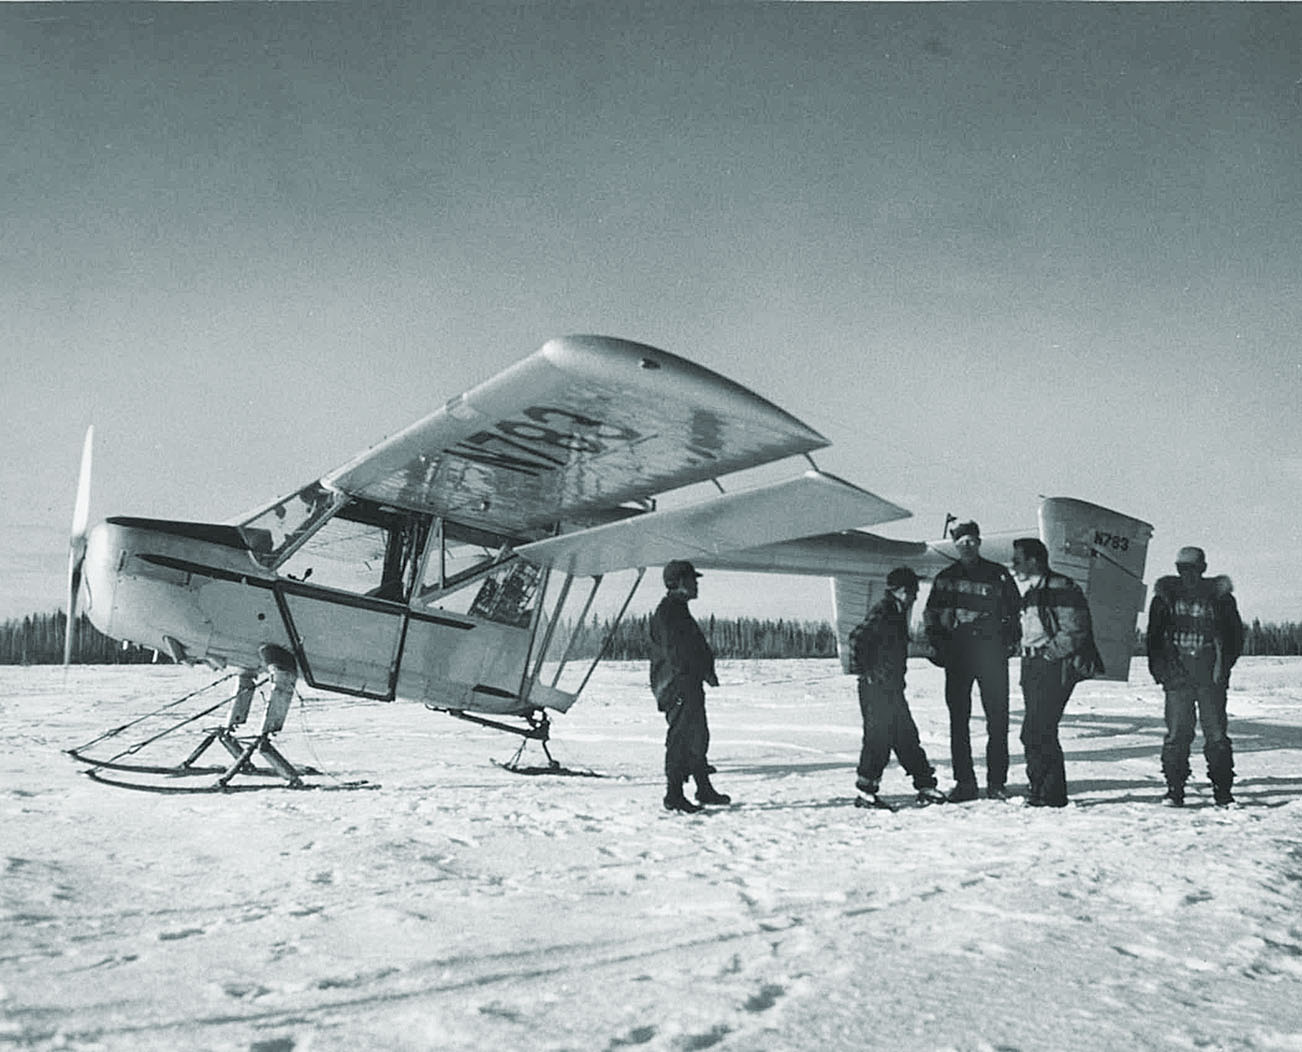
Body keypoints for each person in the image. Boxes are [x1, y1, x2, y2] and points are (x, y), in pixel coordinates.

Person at [923, 520, 1022, 802]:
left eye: (971, 540)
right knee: (959, 721)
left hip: (991, 654)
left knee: (998, 719)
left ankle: (997, 783)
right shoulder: (946, 578)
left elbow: (1016, 611)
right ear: (955, 545)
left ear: (979, 542)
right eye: (961, 541)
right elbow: (931, 615)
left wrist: (1010, 641)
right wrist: (938, 645)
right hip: (959, 654)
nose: (967, 545)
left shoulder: (998, 575)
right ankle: (965, 783)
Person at [1146, 546, 1244, 807]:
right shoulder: (1165, 598)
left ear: (1203, 569)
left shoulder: (1221, 598)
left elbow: (1235, 637)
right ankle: (1175, 789)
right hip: (1177, 676)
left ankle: (1223, 791)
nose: (1187, 573)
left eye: (1192, 568)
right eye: (1182, 568)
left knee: (1216, 735)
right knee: (1177, 734)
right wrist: (1163, 672)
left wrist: (1222, 668)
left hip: (1210, 676)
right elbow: (1154, 639)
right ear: (1177, 569)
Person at [1010, 538, 1103, 808]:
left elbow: (1075, 629)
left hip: (1052, 666)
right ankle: (1040, 789)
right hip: (1032, 665)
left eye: (1018, 560)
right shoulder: (1032, 591)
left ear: (1034, 560)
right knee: (1034, 730)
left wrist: (1049, 655)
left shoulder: (1061, 587)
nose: (1014, 565)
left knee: (1039, 729)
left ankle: (1050, 794)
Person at [847, 566, 947, 810]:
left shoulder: (897, 611)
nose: (915, 596)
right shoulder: (885, 610)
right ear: (902, 591)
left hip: (891, 688)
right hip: (876, 688)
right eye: (913, 591)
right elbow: (857, 638)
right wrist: (867, 671)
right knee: (877, 739)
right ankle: (866, 792)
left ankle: (925, 785)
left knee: (905, 736)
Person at [648, 559, 731, 813]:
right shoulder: (669, 612)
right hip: (677, 686)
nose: (696, 585)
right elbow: (678, 653)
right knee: (680, 738)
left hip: (686, 683)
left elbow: (691, 649)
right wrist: (694, 673)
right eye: (693, 580)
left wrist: (706, 671)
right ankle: (673, 795)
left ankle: (703, 788)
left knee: (698, 736)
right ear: (679, 583)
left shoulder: (677, 609)